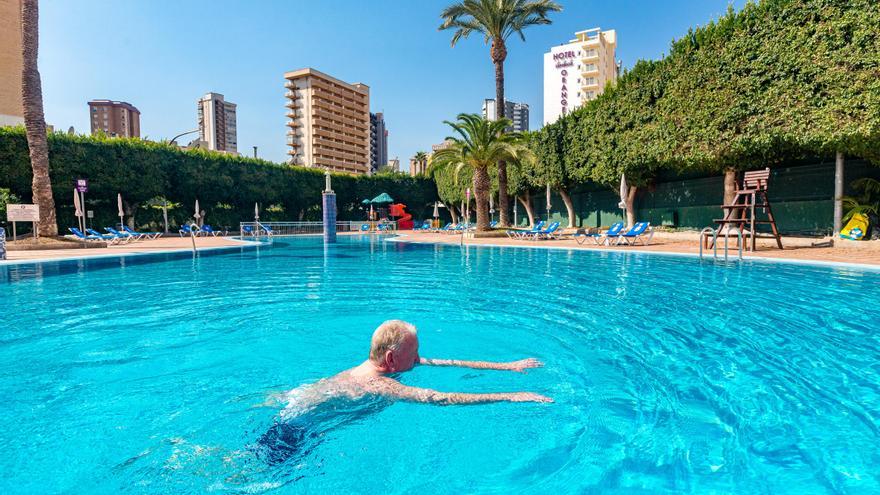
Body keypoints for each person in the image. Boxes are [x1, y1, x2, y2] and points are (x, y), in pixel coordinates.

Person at [256, 320, 551, 463]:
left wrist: (506, 367)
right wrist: (509, 396)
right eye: (415, 352)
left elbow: (449, 362)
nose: (420, 357)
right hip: (295, 428)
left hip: (298, 403)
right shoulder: (379, 384)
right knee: (254, 475)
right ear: (392, 360)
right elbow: (439, 398)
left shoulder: (384, 364)